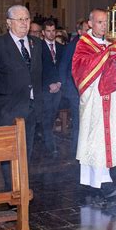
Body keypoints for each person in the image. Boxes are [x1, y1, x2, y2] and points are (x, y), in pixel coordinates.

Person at [72, 8, 116, 199]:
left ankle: (100, 178)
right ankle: (102, 181)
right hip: (94, 100)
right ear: (90, 23)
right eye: (100, 22)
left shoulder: (111, 43)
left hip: (112, 98)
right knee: (95, 140)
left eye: (106, 22)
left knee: (110, 136)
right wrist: (108, 54)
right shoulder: (83, 44)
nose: (104, 26)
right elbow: (81, 69)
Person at [0, 5, 42, 189]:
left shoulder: (36, 43)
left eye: (27, 19)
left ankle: (23, 185)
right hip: (7, 108)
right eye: (20, 19)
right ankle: (12, 188)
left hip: (31, 107)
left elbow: (38, 75)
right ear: (9, 23)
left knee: (27, 149)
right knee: (9, 151)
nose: (24, 23)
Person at [59, 19, 90, 157]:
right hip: (75, 91)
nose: (88, 32)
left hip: (89, 91)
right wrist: (68, 89)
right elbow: (63, 68)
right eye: (86, 29)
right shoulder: (73, 46)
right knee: (78, 122)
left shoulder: (91, 45)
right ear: (79, 32)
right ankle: (76, 150)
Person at [41, 20, 65, 156]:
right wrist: (49, 83)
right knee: (46, 116)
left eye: (53, 31)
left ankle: (48, 141)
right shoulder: (39, 48)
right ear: (43, 32)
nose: (51, 34)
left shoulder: (61, 48)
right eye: (48, 31)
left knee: (53, 115)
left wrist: (59, 83)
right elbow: (39, 69)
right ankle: (50, 146)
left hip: (58, 87)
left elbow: (63, 68)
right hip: (45, 88)